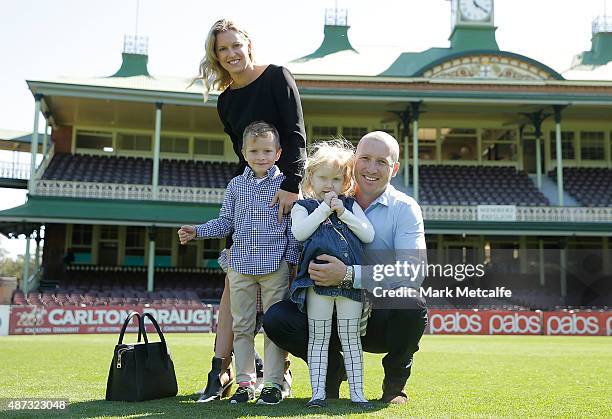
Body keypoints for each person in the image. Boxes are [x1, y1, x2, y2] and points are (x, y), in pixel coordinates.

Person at [264, 131, 428, 405]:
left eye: (382, 162)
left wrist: (349, 275)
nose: (372, 168)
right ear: (354, 162)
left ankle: (394, 384)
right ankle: (332, 371)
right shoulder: (324, 194)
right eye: (365, 158)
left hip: (376, 314)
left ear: (395, 168)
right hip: (323, 302)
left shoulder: (405, 208)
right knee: (277, 318)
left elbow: (414, 271)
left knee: (411, 303)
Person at [191, 18, 306, 401]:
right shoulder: (226, 101)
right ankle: (226, 372)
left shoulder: (277, 77)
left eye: (235, 45)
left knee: (281, 290)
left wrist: (290, 187)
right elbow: (242, 156)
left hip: (286, 188)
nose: (231, 54)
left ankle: (279, 375)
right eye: (222, 49)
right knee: (233, 289)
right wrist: (243, 198)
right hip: (249, 196)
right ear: (216, 56)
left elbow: (295, 135)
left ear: (248, 44)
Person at [178, 121, 300, 405]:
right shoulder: (235, 186)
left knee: (273, 326)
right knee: (242, 327)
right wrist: (198, 231)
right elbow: (226, 223)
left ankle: (272, 382)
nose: (261, 156)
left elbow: (294, 228)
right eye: (254, 150)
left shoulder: (287, 187)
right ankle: (246, 383)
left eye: (267, 150)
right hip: (240, 266)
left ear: (279, 153)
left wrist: (291, 262)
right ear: (244, 153)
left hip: (275, 267)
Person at [289, 140, 375, 408]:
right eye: (323, 178)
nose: (330, 185)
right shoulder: (303, 207)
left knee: (351, 338)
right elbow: (300, 233)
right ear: (311, 178)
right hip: (317, 284)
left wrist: (342, 212)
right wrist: (325, 209)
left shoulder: (350, 206)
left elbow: (368, 234)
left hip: (349, 284)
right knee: (319, 338)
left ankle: (358, 394)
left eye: (336, 179)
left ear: (346, 181)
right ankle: (318, 394)